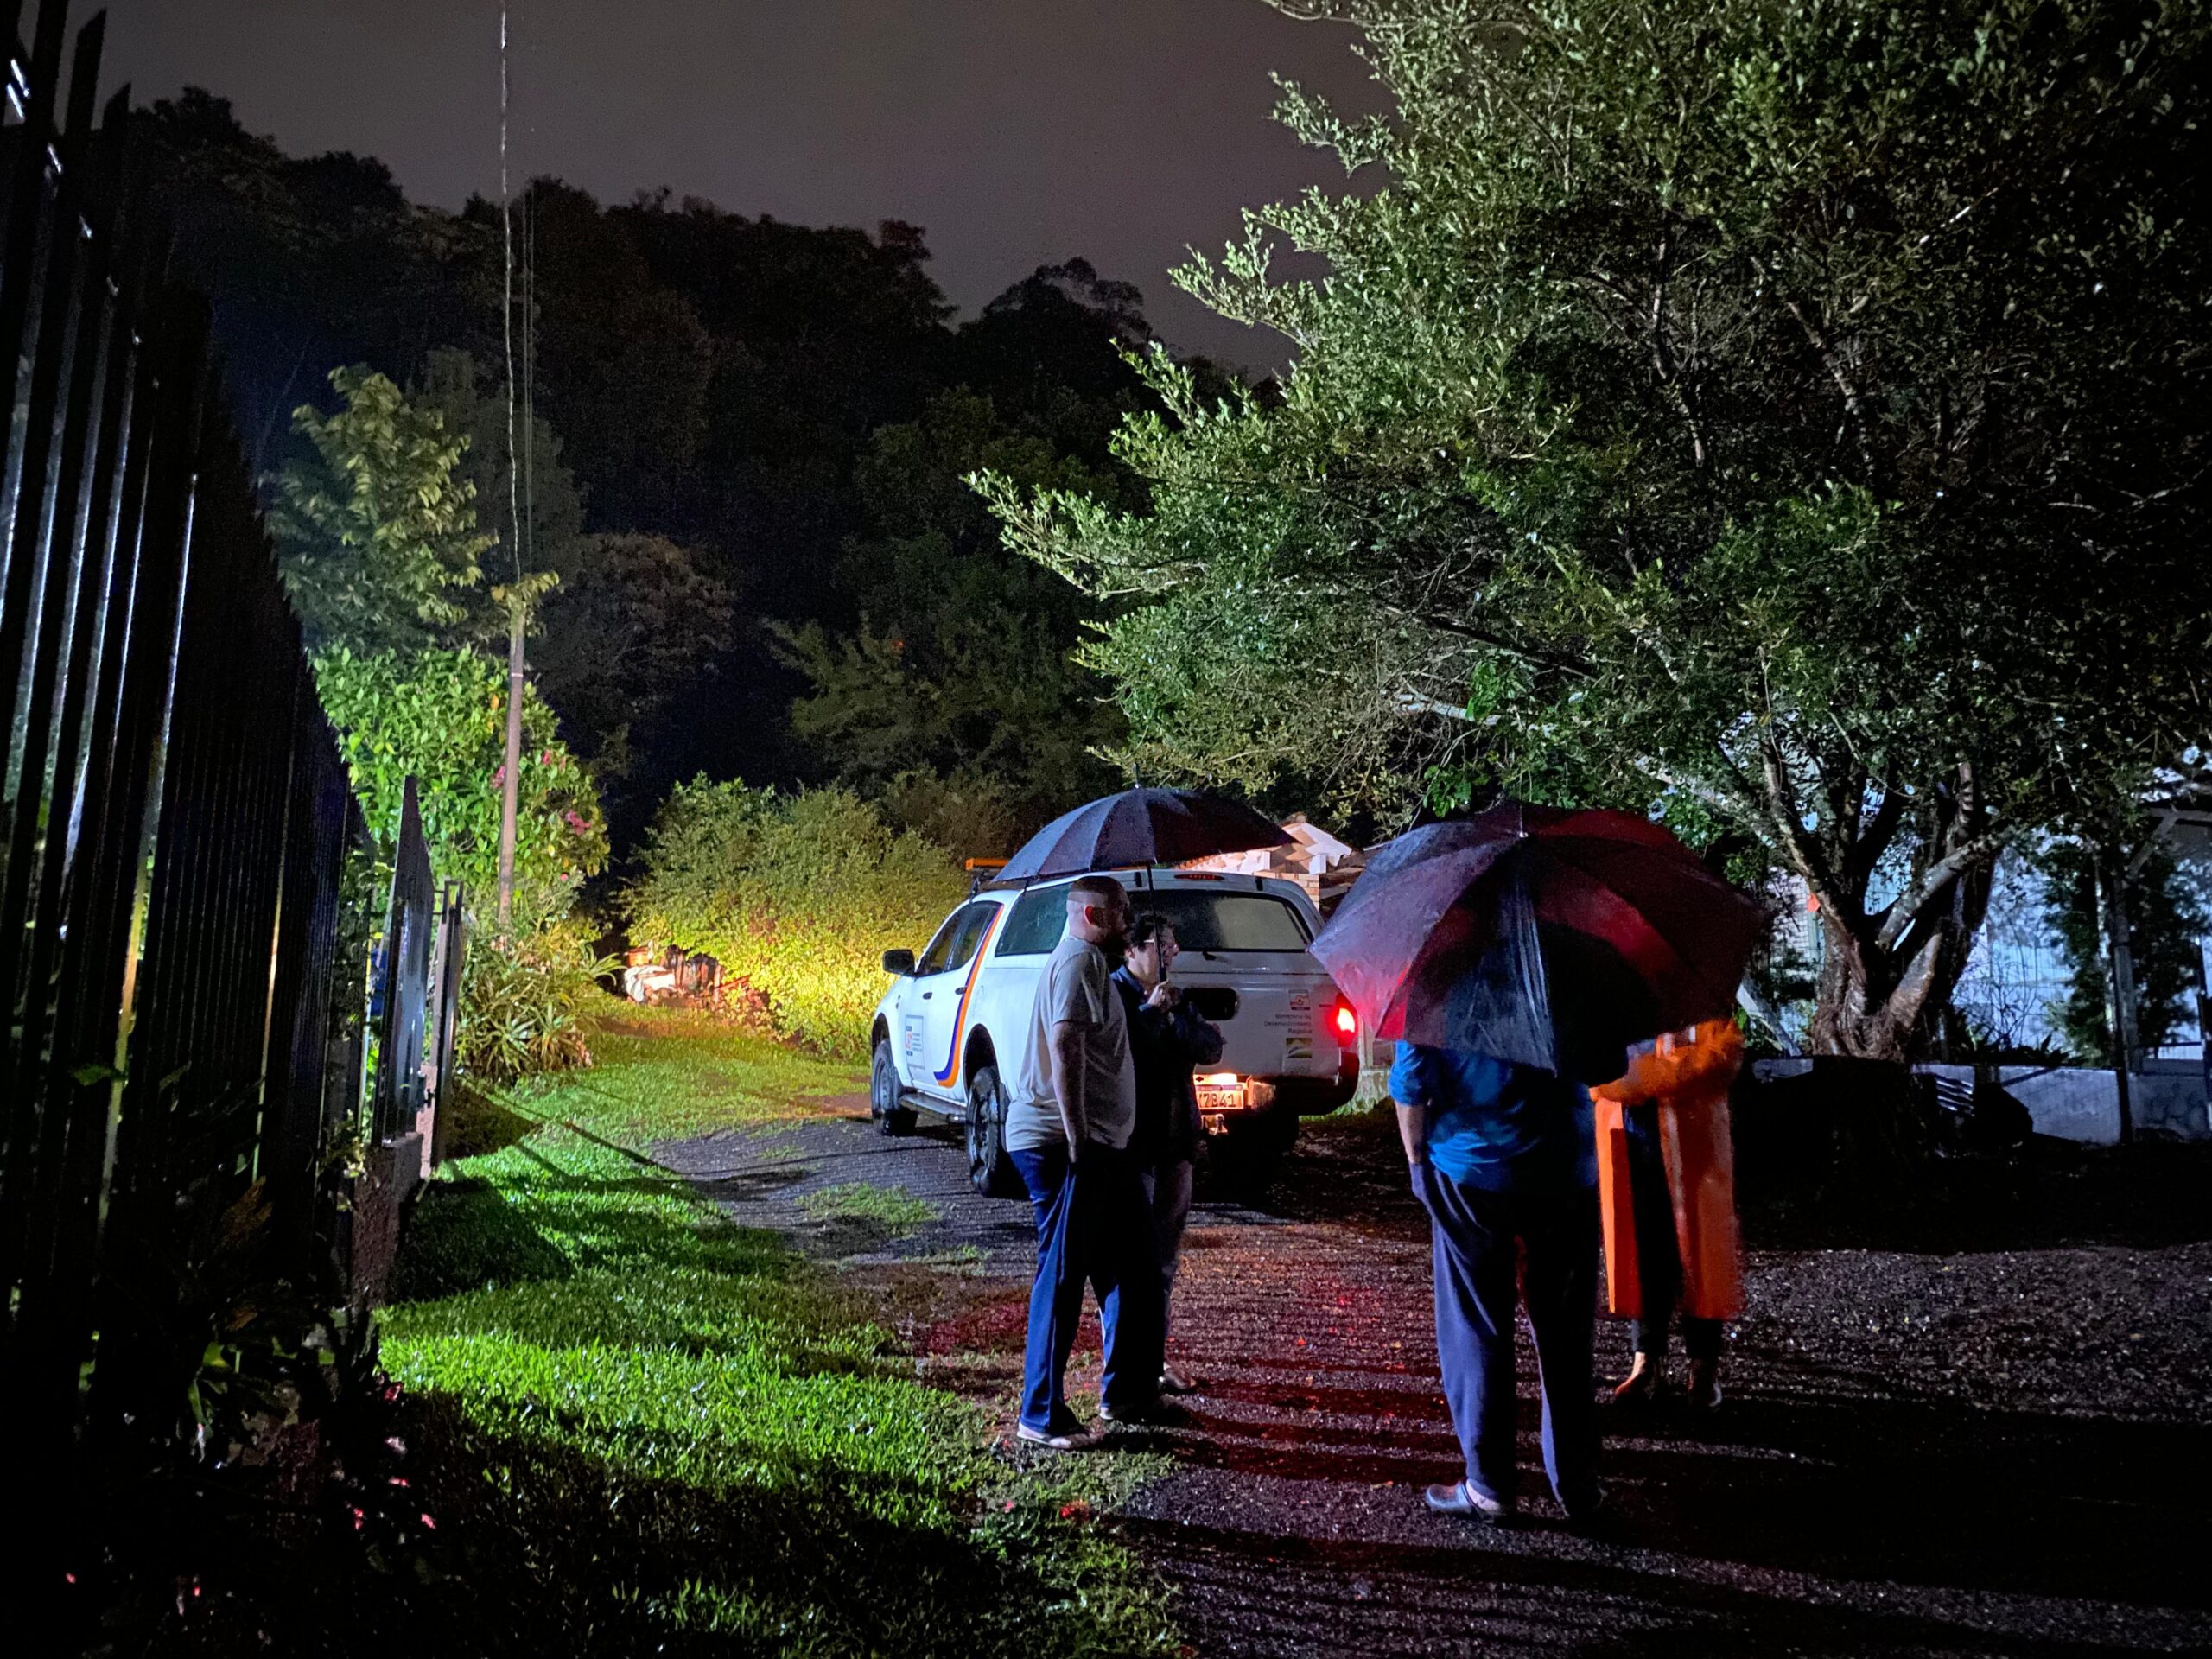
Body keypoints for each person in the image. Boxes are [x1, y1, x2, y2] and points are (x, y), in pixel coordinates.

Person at [1395, 1041, 1604, 1527]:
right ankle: (1579, 1486)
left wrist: (1417, 1167)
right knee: (1565, 1331)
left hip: (1471, 1169)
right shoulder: (1567, 969)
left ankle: (1490, 1485)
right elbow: (1607, 1062)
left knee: (1477, 1323)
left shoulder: (1438, 971)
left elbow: (1410, 1081)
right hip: (1565, 1165)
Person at [1004, 874, 1166, 1448]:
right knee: (1065, 1273)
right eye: (1121, 911)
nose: (1129, 919)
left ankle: (1127, 1392)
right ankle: (1040, 1412)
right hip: (1065, 1144)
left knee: (1136, 1265)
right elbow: (1065, 1043)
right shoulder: (1075, 964)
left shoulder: (1094, 966)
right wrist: (1077, 1136)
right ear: (1094, 917)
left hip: (1103, 1146)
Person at [1592, 1018, 1745, 1410]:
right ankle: (1646, 1360)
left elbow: (1721, 1059)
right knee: (1643, 1251)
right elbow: (1593, 1074)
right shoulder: (1616, 1000)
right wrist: (1656, 1076)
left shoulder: (1703, 1003)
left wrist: (1639, 1078)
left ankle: (1704, 1364)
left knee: (1699, 1258)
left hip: (1693, 1152)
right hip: (1630, 1142)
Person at [1112, 914, 1223, 1395]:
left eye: (1174, 944)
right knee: (1130, 1261)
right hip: (1136, 1148)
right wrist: (1152, 1014)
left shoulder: (1175, 998)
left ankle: (1154, 1361)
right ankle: (1124, 1370)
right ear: (1131, 951)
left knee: (1164, 1261)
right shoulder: (1116, 996)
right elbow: (1122, 1053)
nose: (1171, 953)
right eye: (1162, 944)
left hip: (1176, 1143)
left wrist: (1175, 1016)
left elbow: (1211, 1046)